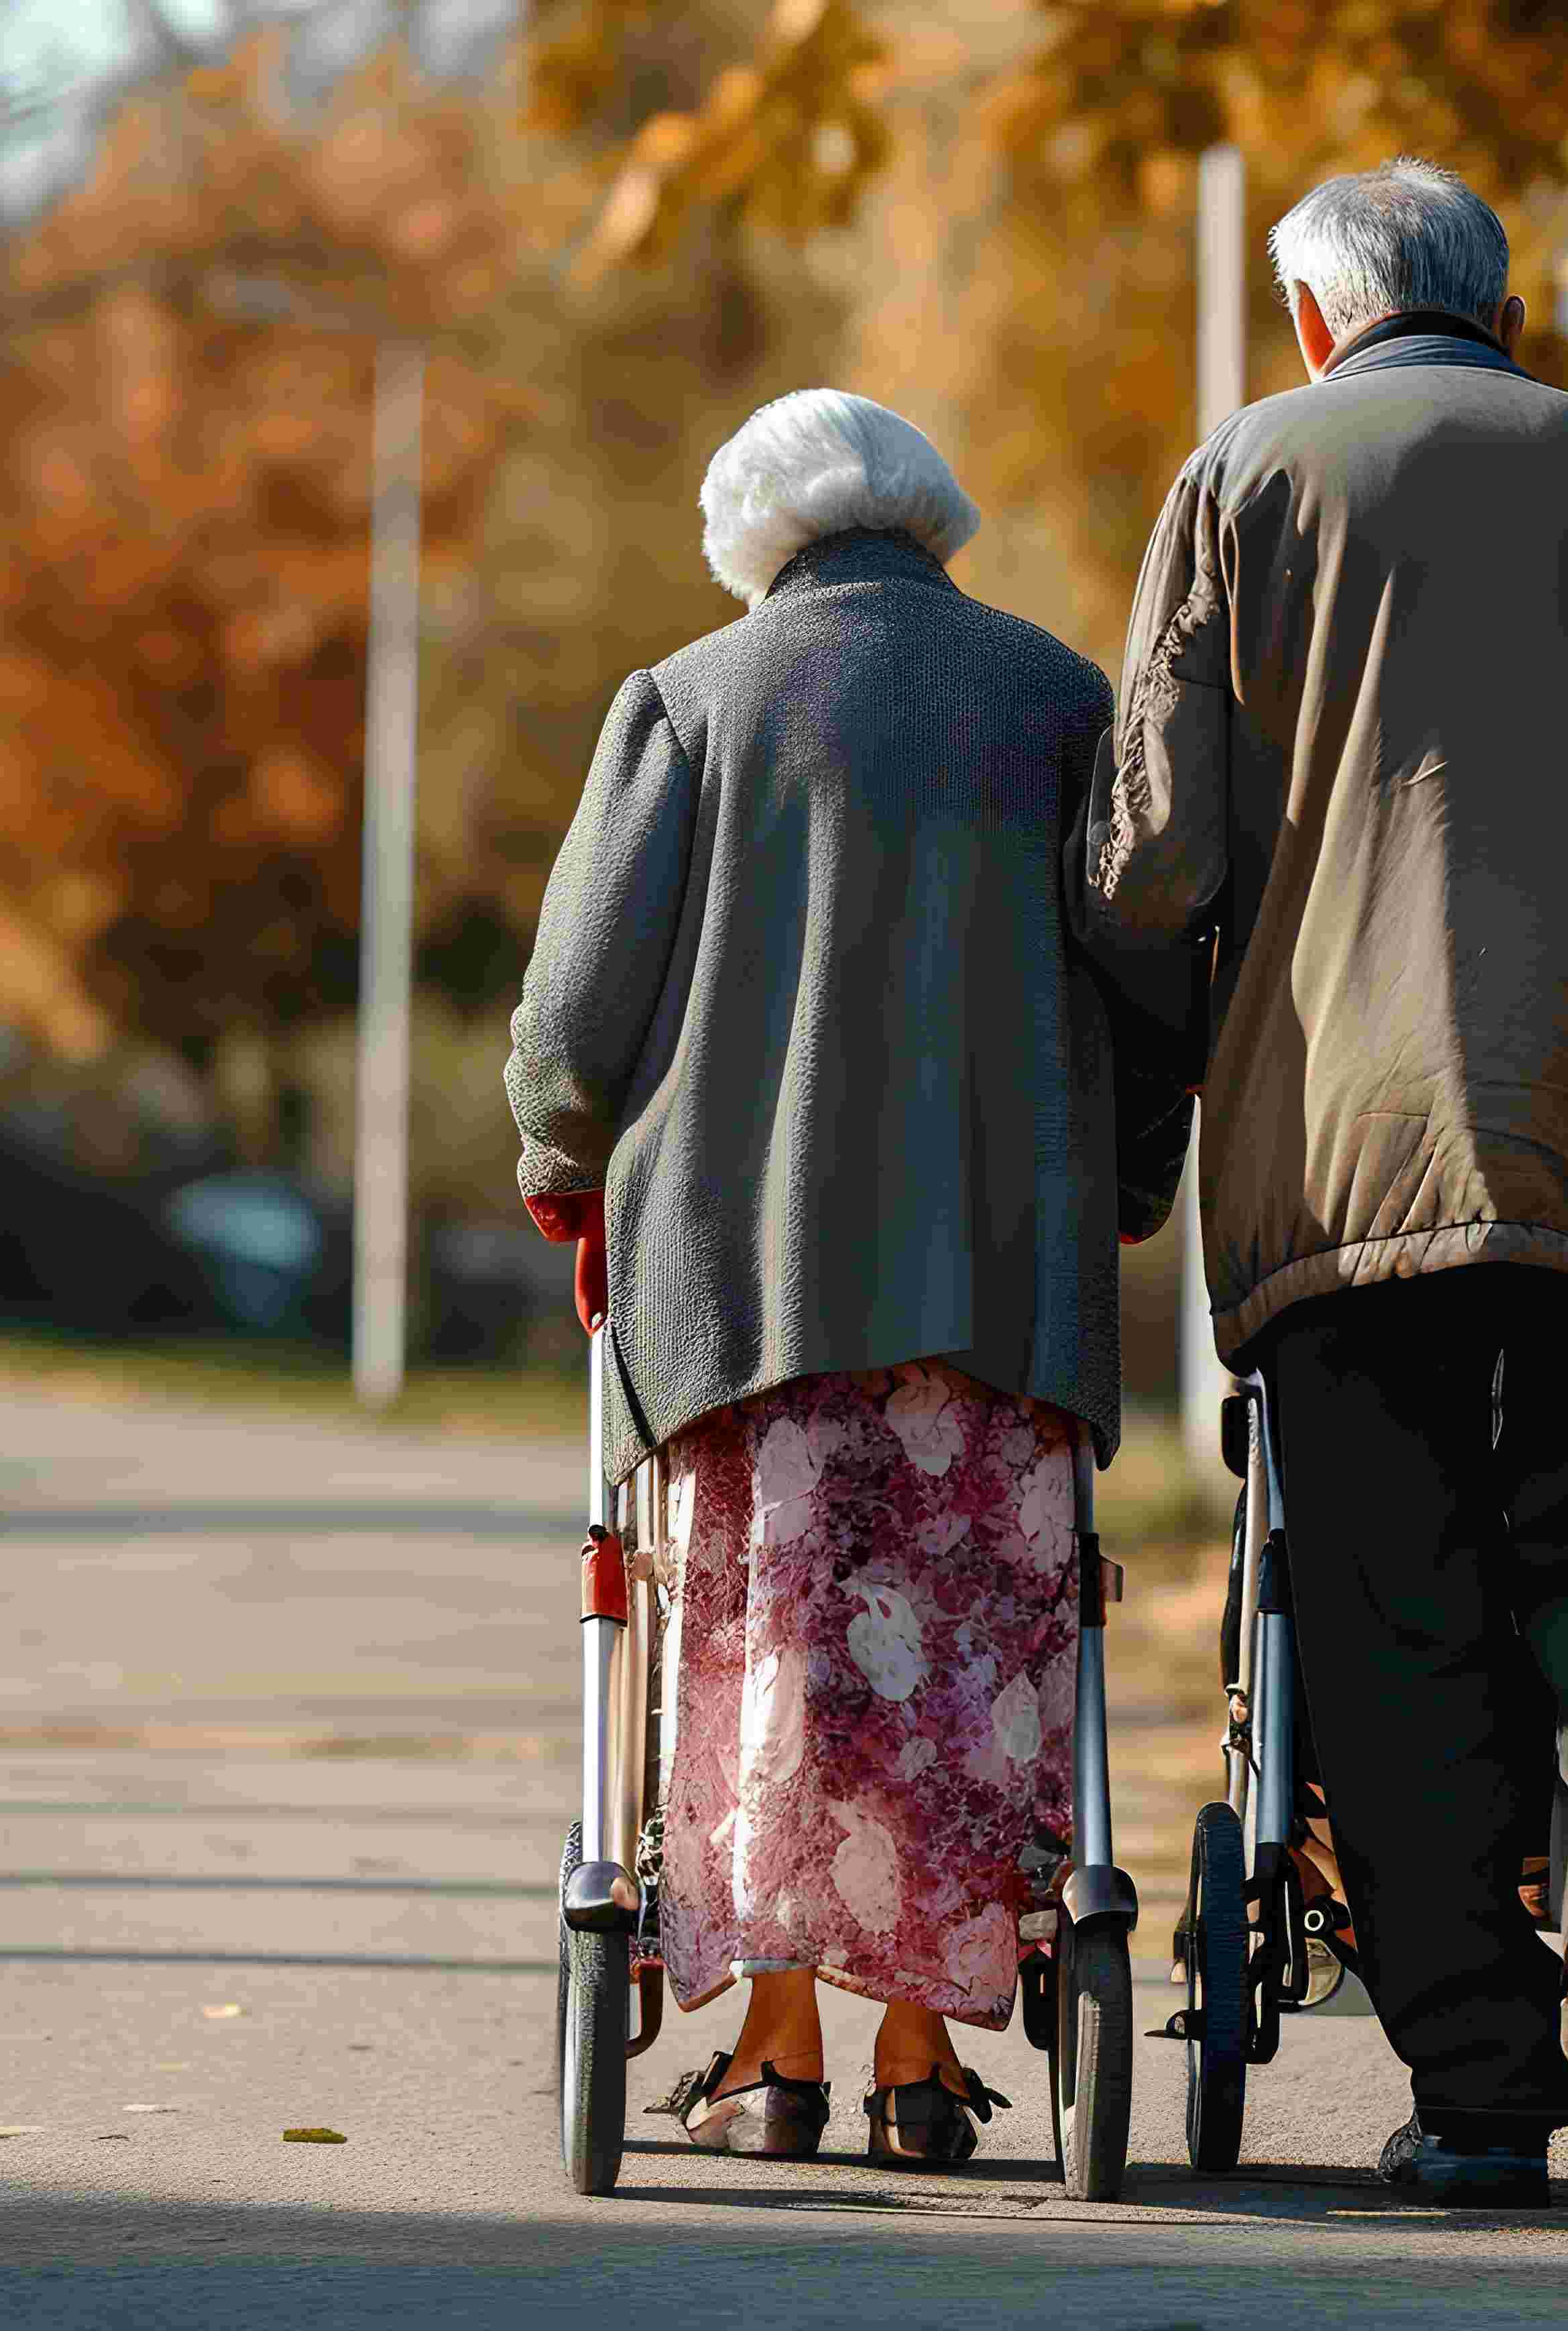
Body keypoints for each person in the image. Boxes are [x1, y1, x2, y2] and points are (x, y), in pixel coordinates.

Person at [1067, 160, 1568, 2220]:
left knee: (1388, 1607)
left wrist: (1149, 1125)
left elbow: (1148, 868)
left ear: (1321, 322)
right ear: (1496, 308)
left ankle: (1480, 2088)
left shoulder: (1247, 484)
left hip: (1355, 1163)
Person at [507, 391, 1184, 2170]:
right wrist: (1129, 1179)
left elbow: (578, 1018)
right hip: (1003, 1286)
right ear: (928, 519)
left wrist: (559, 1158)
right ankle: (915, 2062)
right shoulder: (1058, 706)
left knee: (778, 1656)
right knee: (967, 1664)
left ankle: (776, 2059)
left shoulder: (687, 704)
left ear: (754, 535)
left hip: (750, 1294)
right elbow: (1142, 979)